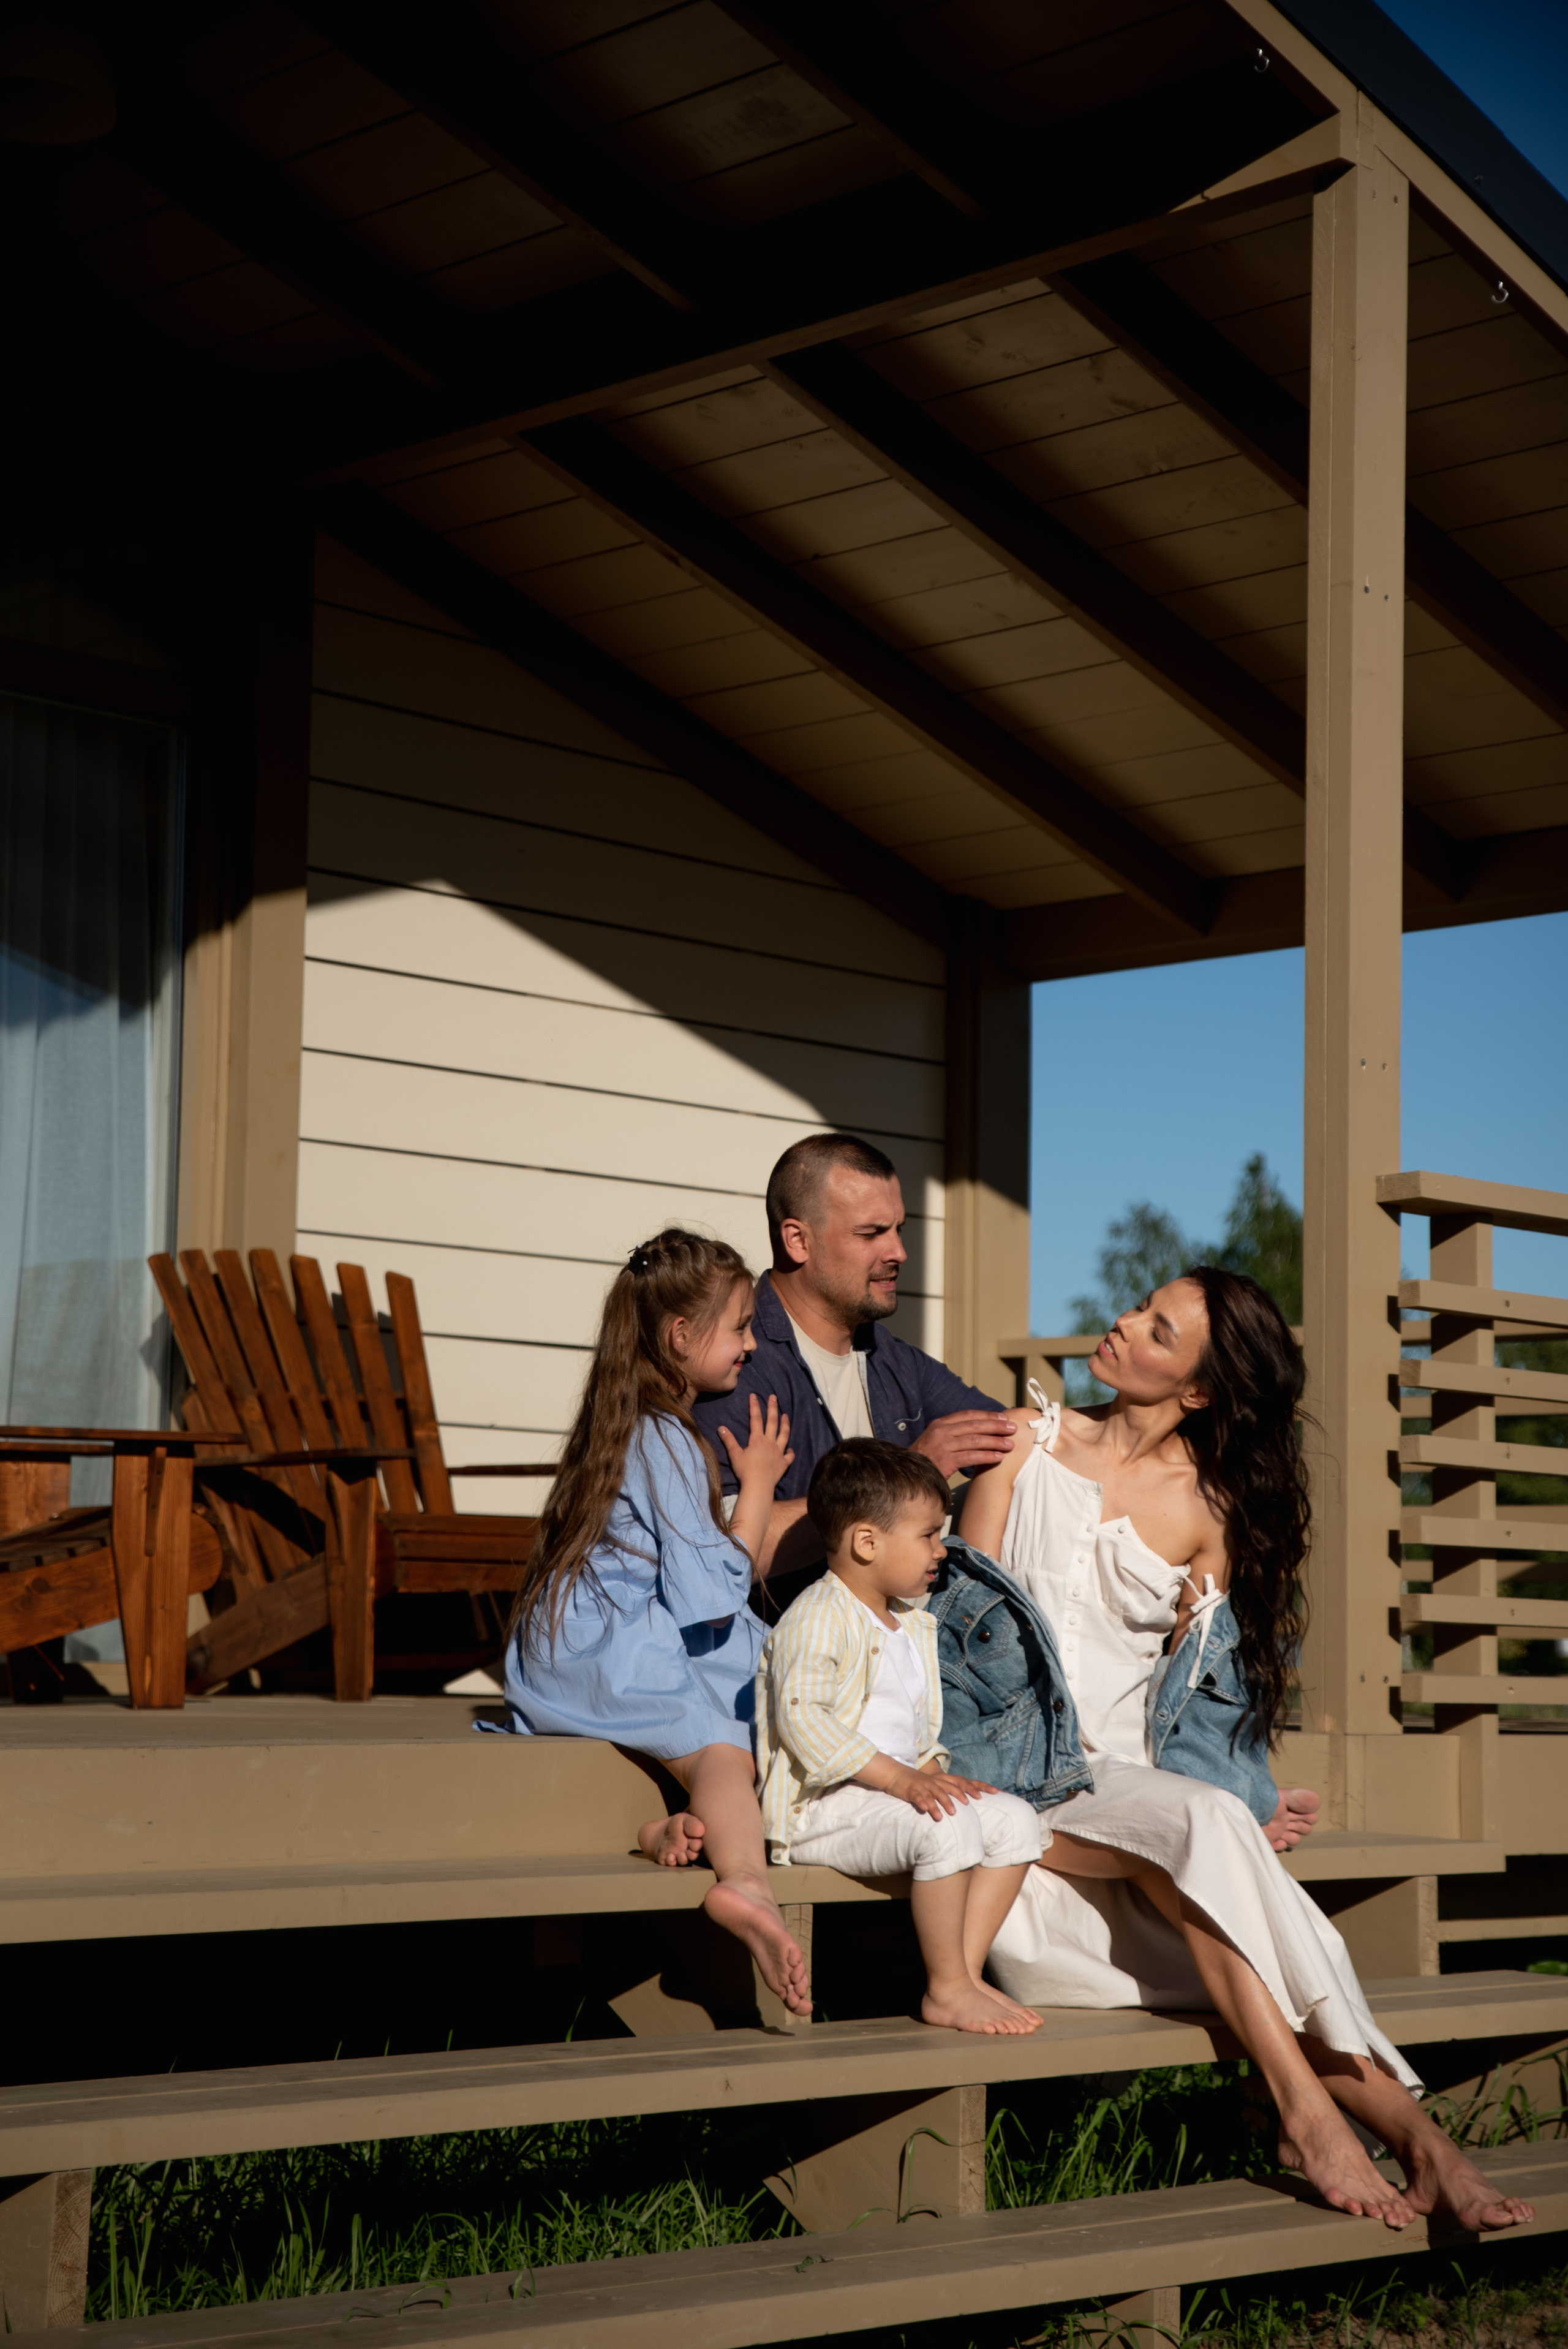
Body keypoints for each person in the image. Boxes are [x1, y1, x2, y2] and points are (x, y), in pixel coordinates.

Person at [959, 1266, 1534, 2236]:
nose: (1123, 1324)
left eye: (1157, 1330)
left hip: (1130, 1797)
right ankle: (1370, 2126)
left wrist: (1250, 1797)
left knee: (1218, 1836)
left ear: (1198, 1390)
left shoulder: (1209, 1509)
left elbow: (1206, 1710)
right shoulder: (1022, 1447)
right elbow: (956, 1640)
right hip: (1011, 1780)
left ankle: (1382, 2136)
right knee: (1223, 1852)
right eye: (1140, 1309)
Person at [502, 1228, 810, 2018]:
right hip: (610, 1648)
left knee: (730, 1685)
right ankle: (746, 1885)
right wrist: (760, 1492)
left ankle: (659, 1832)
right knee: (724, 1740)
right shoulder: (670, 1437)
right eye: (739, 1326)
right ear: (681, 1336)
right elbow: (711, 1589)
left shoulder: (616, 1420)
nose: (749, 1344)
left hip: (559, 1648)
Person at [755, 1440, 1044, 2035]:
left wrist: (929, 1771)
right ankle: (946, 1988)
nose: (942, 1550)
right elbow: (804, 1721)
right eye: (929, 1536)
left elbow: (901, 1726)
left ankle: (962, 1973)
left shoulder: (908, 1622)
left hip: (887, 1798)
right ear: (867, 1542)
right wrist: (901, 1779)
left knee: (1015, 1819)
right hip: (823, 1807)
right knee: (948, 1827)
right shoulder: (816, 1617)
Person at [692, 1133, 1018, 1583]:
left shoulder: (893, 1359)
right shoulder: (734, 1365)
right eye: (871, 1234)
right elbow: (721, 1557)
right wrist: (906, 1478)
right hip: (786, 1649)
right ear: (798, 1241)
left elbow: (1020, 1447)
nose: (899, 1253)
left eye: (898, 1230)